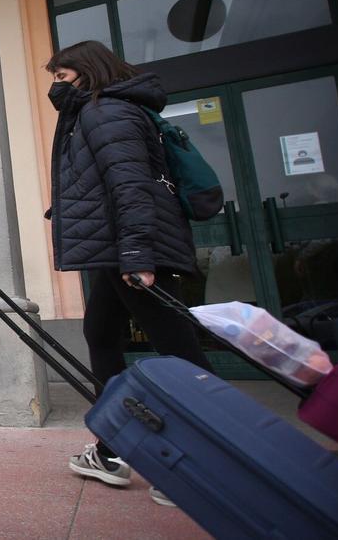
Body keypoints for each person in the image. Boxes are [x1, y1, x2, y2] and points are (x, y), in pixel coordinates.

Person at [44, 40, 213, 507]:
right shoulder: (100, 113)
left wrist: (138, 255)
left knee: (180, 351)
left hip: (131, 249)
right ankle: (111, 448)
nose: (55, 88)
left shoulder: (105, 113)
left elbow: (131, 184)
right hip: (114, 248)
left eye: (61, 77)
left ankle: (202, 461)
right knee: (100, 334)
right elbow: (107, 180)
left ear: (87, 72)